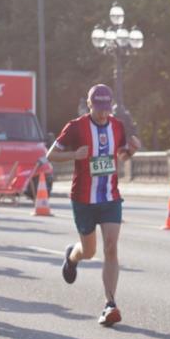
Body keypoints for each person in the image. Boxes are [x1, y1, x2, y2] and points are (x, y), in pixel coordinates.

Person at [48, 84, 140, 326]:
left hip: (110, 197)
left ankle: (110, 304)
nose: (103, 113)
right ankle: (72, 256)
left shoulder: (117, 126)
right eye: (99, 108)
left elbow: (119, 156)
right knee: (89, 251)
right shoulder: (75, 127)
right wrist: (74, 155)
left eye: (106, 108)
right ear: (90, 105)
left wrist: (130, 151)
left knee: (111, 247)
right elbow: (51, 156)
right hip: (83, 199)